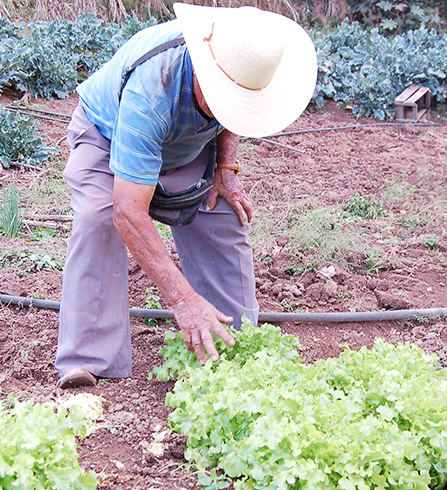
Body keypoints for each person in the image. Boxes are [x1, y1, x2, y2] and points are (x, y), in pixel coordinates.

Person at [55, 2, 317, 388]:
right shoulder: (153, 88)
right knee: (100, 214)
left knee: (221, 211)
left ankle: (233, 344)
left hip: (186, 142)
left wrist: (225, 169)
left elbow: (238, 111)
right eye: (227, 97)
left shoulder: (240, 59)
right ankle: (89, 356)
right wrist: (183, 300)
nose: (234, 107)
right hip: (108, 134)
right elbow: (129, 212)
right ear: (205, 73)